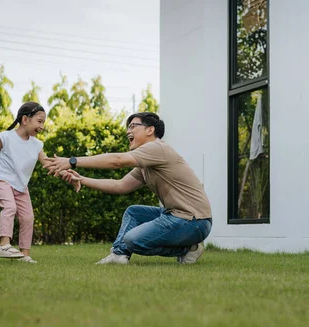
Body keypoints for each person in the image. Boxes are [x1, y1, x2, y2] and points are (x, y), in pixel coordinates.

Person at [45, 112, 212, 265]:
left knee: (132, 240)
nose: (128, 131)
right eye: (128, 127)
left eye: (133, 126)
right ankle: (119, 254)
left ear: (150, 130)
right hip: (178, 216)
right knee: (134, 212)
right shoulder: (147, 162)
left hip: (194, 220)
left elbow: (117, 160)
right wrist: (81, 179)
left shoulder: (157, 148)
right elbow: (120, 186)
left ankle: (188, 249)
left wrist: (72, 161)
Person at [0, 102, 79, 264]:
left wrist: (69, 176)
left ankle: (24, 254)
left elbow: (48, 165)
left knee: (28, 217)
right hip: (2, 179)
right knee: (10, 207)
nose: (42, 126)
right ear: (25, 119)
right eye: (39, 121)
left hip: (21, 186)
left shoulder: (36, 145)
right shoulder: (6, 137)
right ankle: (4, 245)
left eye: (43, 122)